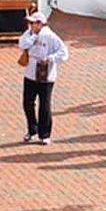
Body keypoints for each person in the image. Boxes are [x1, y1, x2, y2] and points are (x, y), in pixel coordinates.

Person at [18, 10, 69, 145]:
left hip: (45, 75)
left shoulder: (51, 36)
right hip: (30, 73)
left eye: (33, 23)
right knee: (27, 103)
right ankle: (32, 129)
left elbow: (63, 53)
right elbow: (22, 44)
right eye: (30, 23)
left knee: (44, 105)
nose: (30, 25)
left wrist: (50, 58)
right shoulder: (29, 33)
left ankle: (44, 134)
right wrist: (32, 37)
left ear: (40, 24)